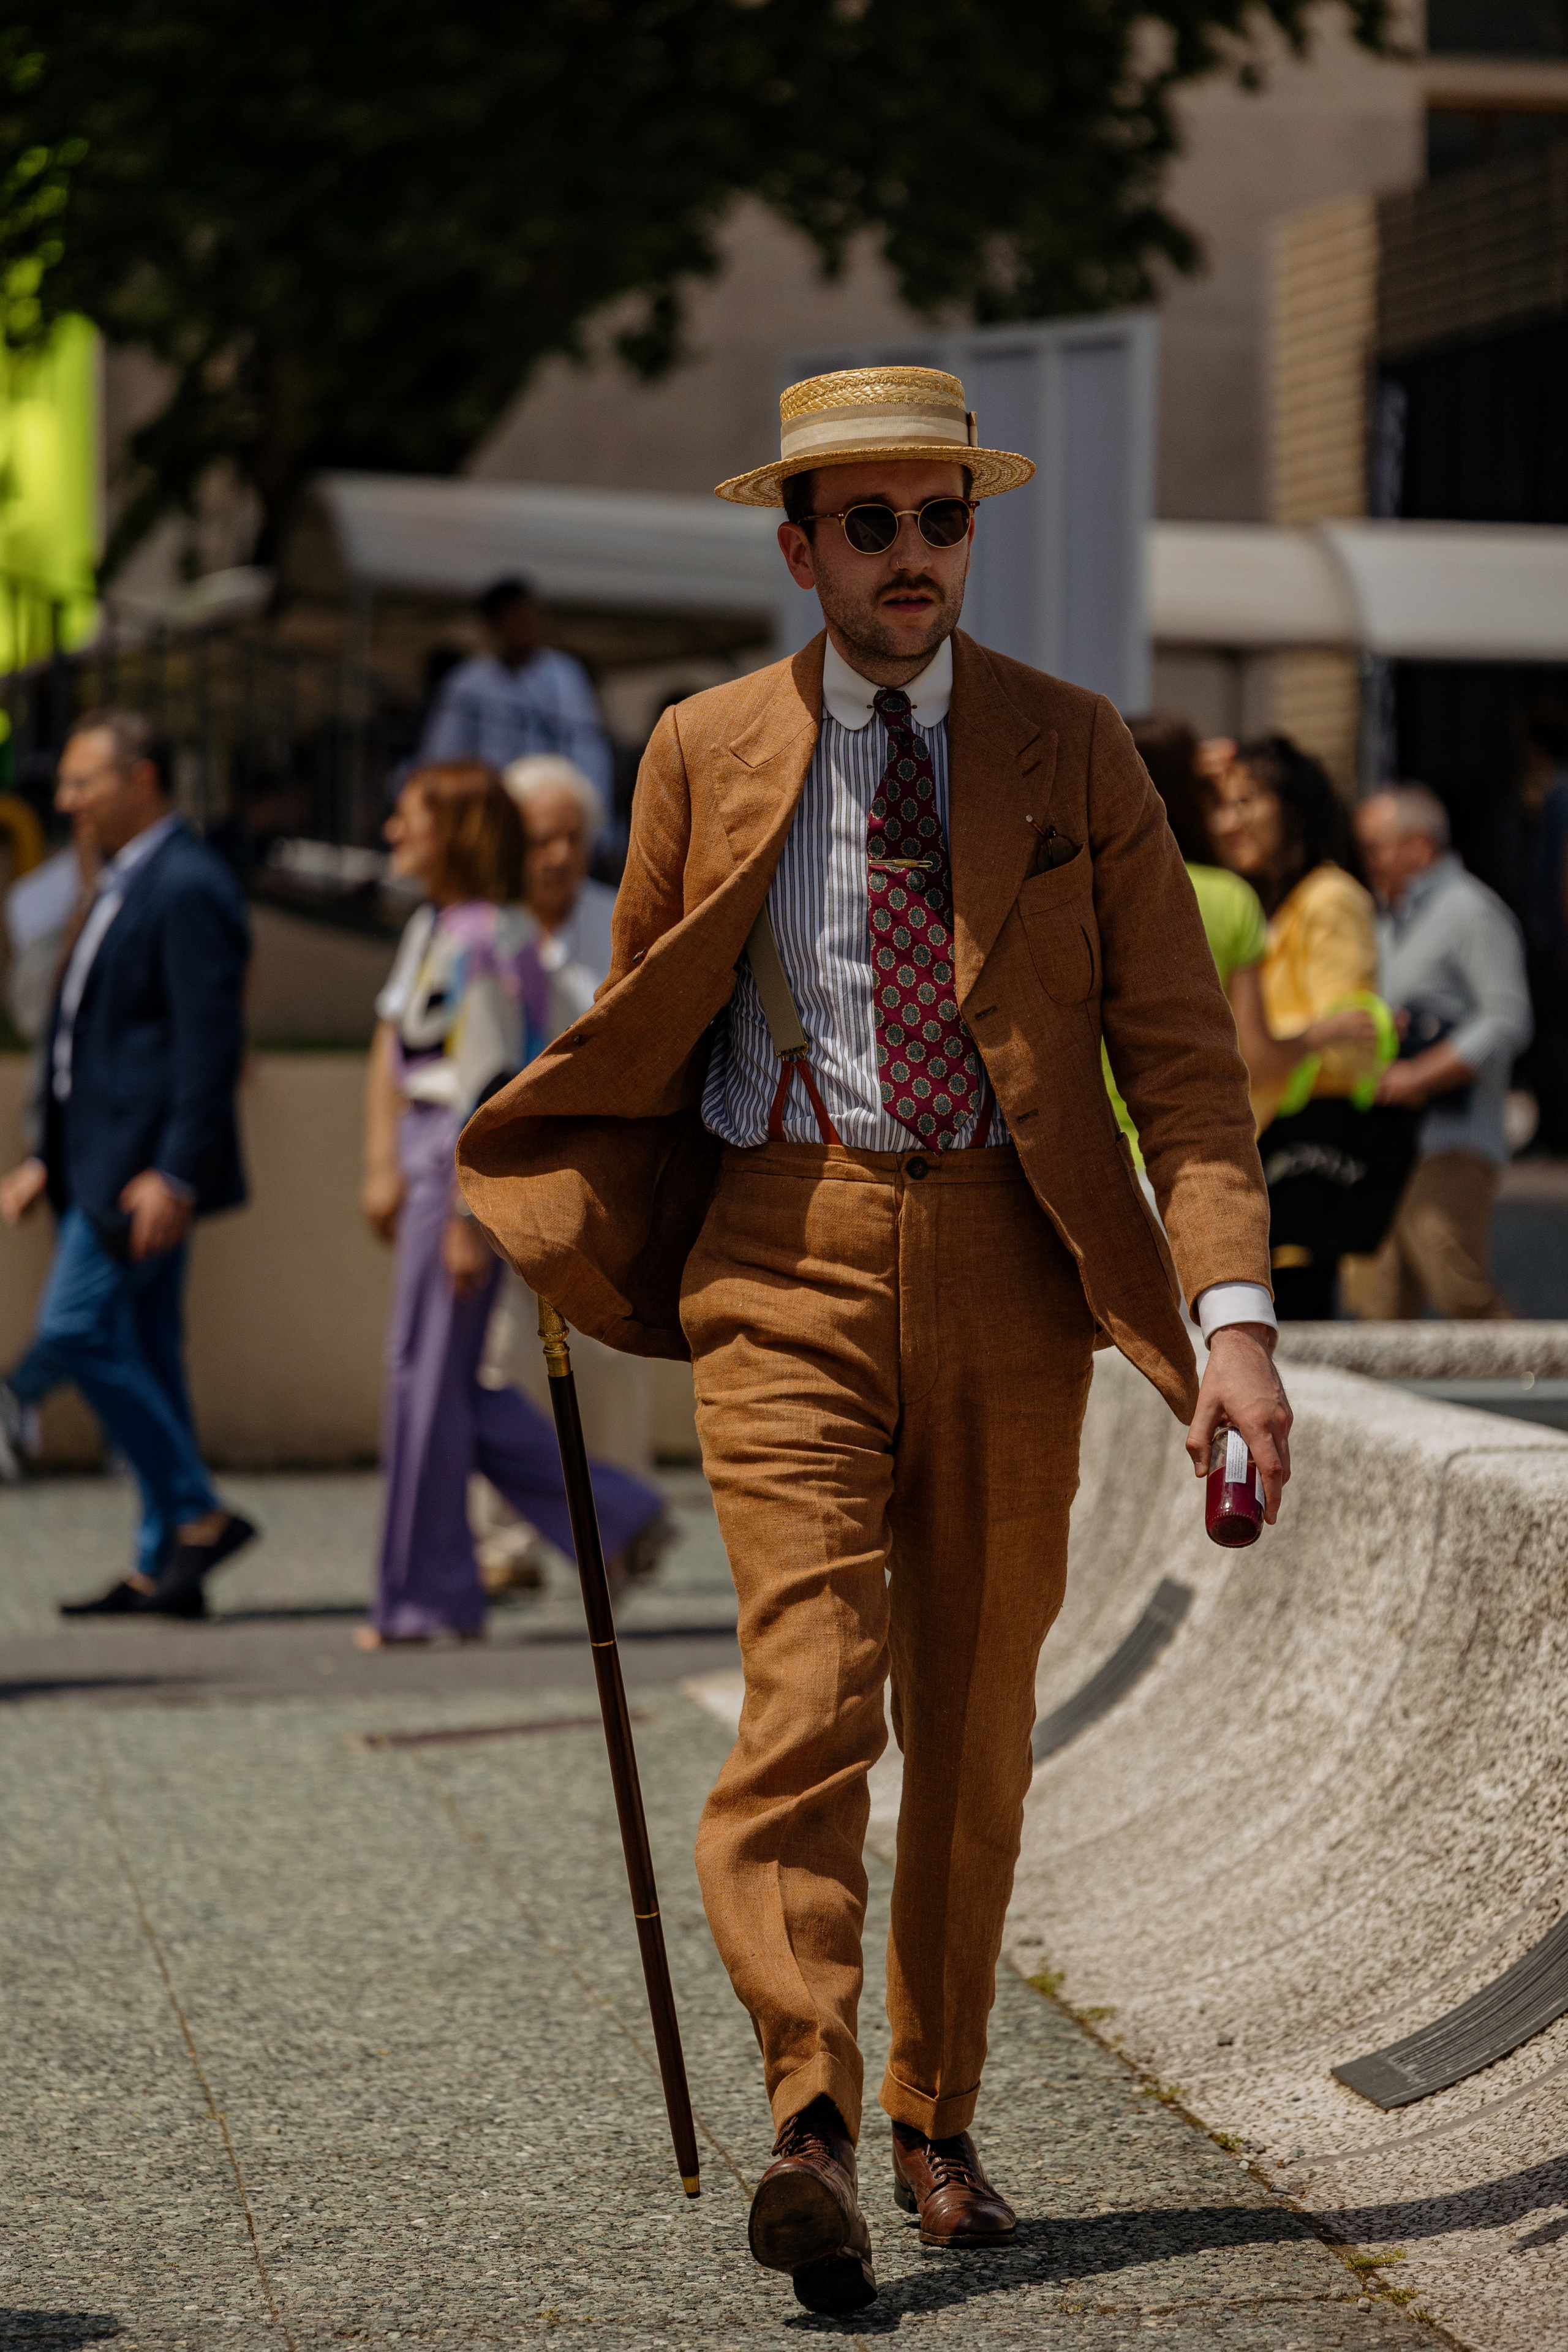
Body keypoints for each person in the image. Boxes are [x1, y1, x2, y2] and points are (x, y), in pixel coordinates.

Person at [455, 364, 1290, 2314]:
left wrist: (1230, 1321)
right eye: (872, 525)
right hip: (781, 1247)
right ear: (799, 546)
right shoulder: (700, 744)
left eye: (943, 521)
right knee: (807, 1685)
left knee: (973, 1720)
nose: (913, 556)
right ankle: (810, 2112)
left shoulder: (1075, 750)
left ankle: (935, 2109)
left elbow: (1180, 1062)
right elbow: (643, 1019)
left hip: (1016, 1254)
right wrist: (560, 1202)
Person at [359, 760, 666, 1646]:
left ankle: (429, 1599)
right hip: (434, 1160)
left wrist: (462, 1215)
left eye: (409, 816)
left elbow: (489, 1086)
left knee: (427, 1384)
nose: (394, 833)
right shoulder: (450, 928)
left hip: (452, 1165)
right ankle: (612, 1514)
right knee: (442, 1383)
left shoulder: (486, 938)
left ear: (453, 831)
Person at [0, 709, 257, 1618]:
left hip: (137, 1174)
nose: (65, 800)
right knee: (148, 1349)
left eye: (83, 782)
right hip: (95, 1163)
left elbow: (206, 1045)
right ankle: (165, 1567)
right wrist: (44, 1157)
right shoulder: (119, 882)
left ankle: (195, 1511)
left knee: (72, 1330)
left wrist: (177, 1171)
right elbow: (86, 1042)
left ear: (140, 780)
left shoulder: (185, 885)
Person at [1206, 734, 1393, 1317]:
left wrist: (1265, 1044)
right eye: (1223, 804)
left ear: (1295, 808)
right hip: (1260, 1147)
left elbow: (1350, 1039)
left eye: (1247, 802)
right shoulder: (1270, 902)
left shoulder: (1330, 898)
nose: (1230, 822)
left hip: (1298, 1155)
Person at [1352, 785, 1532, 1319]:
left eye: (1376, 845)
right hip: (1387, 1135)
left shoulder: (1472, 911)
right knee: (1379, 1303)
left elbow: (1506, 1018)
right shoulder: (1388, 917)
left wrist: (1420, 1075)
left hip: (1451, 1139)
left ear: (1420, 846)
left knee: (1461, 1290)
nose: (1368, 859)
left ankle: (1533, 1397)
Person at [418, 577, 614, 803]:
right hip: (491, 807)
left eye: (530, 616)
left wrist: (593, 808)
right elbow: (445, 755)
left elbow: (589, 750)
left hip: (549, 803)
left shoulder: (566, 674)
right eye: (514, 617)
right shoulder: (467, 683)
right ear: (492, 625)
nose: (524, 625)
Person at [1518, 706, 1568, 1155]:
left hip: (1557, 943)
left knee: (1554, 1041)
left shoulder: (1561, 796)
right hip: (1552, 937)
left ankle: (1555, 1128)